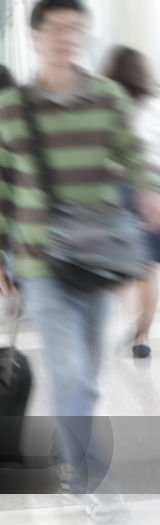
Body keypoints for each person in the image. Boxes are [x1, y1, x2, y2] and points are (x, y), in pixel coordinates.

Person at [0, 0, 160, 523]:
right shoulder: (12, 108)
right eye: (58, 28)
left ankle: (72, 453)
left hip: (100, 257)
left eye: (77, 29)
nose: (68, 38)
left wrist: (149, 191)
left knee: (88, 373)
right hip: (40, 259)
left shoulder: (105, 99)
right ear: (35, 36)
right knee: (72, 373)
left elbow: (133, 156)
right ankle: (89, 477)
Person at [103, 46, 160, 358]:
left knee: (125, 262)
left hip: (125, 186)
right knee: (147, 268)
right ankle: (142, 337)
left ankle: (121, 318)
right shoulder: (155, 105)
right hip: (156, 187)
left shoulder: (111, 105)